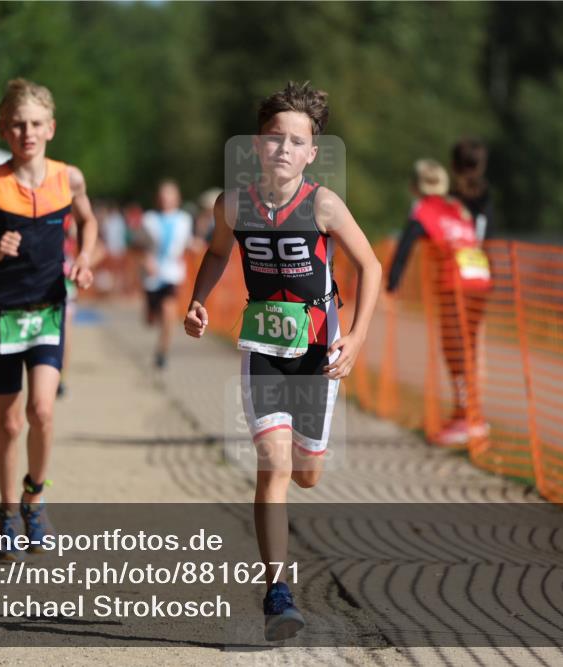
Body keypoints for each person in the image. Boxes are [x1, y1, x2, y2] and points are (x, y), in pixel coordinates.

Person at [184, 82, 381, 640]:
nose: (284, 149)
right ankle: (278, 592)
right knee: (273, 467)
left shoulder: (323, 205)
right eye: (275, 138)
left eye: (297, 141)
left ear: (312, 152)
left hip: (318, 353)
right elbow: (217, 252)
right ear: (257, 145)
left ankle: (309, 453)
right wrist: (198, 300)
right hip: (264, 350)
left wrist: (357, 337)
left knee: (307, 473)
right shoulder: (233, 205)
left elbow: (370, 266)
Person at [0, 78, 97, 560]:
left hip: (48, 310)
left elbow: (88, 221)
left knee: (42, 411)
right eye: (17, 124)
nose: (27, 132)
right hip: (3, 314)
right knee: (8, 423)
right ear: (3, 130)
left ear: (51, 128)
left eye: (35, 124)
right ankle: (8, 512)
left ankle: (35, 498)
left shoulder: (69, 179)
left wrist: (85, 257)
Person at [387, 159, 492, 447]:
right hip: (480, 278)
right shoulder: (457, 207)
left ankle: (469, 419)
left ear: (415, 187)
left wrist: (392, 283)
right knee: (467, 349)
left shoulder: (422, 209)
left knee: (455, 350)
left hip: (455, 282)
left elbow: (406, 243)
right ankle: (467, 414)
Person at [142, 180, 193, 369]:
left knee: (168, 311)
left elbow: (187, 242)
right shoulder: (149, 219)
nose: (166, 199)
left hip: (173, 274)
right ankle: (150, 312)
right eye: (163, 195)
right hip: (152, 276)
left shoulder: (184, 220)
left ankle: (162, 351)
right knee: (151, 319)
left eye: (170, 195)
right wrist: (146, 260)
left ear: (177, 198)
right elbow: (138, 245)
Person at [449, 138, 494, 242]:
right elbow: (488, 241)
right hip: (479, 252)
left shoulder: (441, 200)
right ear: (482, 167)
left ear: (453, 164)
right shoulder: (485, 202)